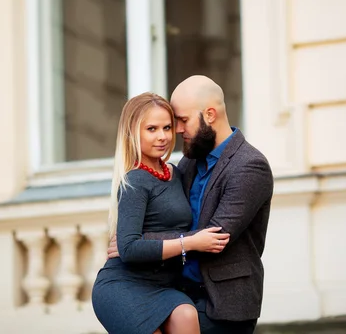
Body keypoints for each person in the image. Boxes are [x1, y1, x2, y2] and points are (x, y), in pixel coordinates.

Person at [108, 76, 274, 334]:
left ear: (209, 115)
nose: (176, 130)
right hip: (176, 294)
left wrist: (139, 242)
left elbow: (216, 237)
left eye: (183, 120)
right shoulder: (189, 162)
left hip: (221, 304)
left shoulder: (249, 166)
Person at [91, 92, 231, 334]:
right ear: (133, 133)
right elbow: (130, 248)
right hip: (123, 288)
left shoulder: (176, 173)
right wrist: (190, 243)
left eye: (167, 127)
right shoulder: (135, 180)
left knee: (186, 315)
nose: (162, 136)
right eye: (152, 129)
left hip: (163, 286)